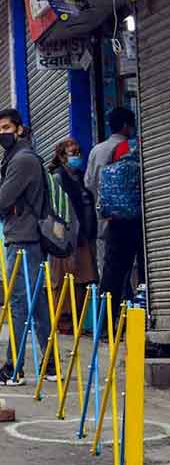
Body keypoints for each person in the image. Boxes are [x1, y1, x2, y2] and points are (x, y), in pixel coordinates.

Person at [0, 108, 54, 386]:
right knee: (36, 303)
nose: (1, 134)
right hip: (26, 237)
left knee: (18, 303)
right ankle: (50, 365)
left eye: (6, 128)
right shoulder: (18, 157)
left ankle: (13, 368)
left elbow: (3, 201)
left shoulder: (22, 160)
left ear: (19, 129)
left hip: (25, 240)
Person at [84, 107, 144, 313]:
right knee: (141, 266)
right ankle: (137, 310)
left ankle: (107, 318)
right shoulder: (134, 147)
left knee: (111, 268)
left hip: (108, 218)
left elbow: (89, 183)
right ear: (128, 126)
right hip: (136, 217)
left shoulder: (96, 150)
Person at [48, 138, 98, 334]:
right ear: (61, 156)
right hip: (67, 238)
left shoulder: (79, 176)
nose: (77, 157)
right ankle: (64, 322)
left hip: (83, 236)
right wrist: (61, 240)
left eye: (78, 152)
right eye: (72, 153)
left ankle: (77, 320)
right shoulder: (58, 177)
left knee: (84, 278)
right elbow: (55, 211)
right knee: (64, 280)